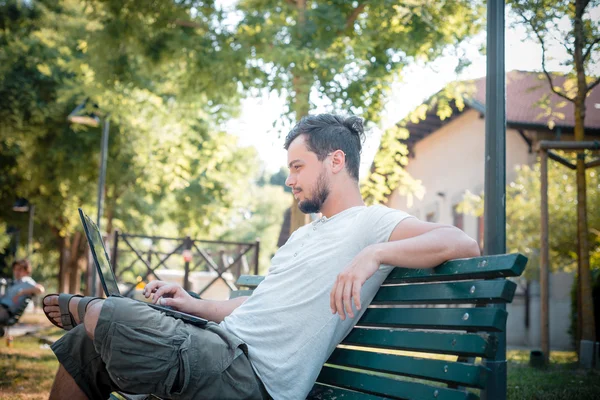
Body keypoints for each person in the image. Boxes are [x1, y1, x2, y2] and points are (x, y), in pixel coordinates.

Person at [42, 114, 481, 400]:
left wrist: (375, 254)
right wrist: (189, 302)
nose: (290, 180)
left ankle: (96, 310)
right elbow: (253, 307)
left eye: (297, 167)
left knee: (114, 316)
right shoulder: (301, 238)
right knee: (87, 343)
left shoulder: (371, 223)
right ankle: (98, 314)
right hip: (220, 348)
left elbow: (462, 241)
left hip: (252, 379)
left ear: (335, 160)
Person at [0, 259, 45, 327]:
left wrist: (23, 291)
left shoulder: (27, 281)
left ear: (26, 271)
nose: (16, 272)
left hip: (7, 311)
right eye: (15, 269)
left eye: (20, 269)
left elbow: (41, 289)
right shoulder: (15, 282)